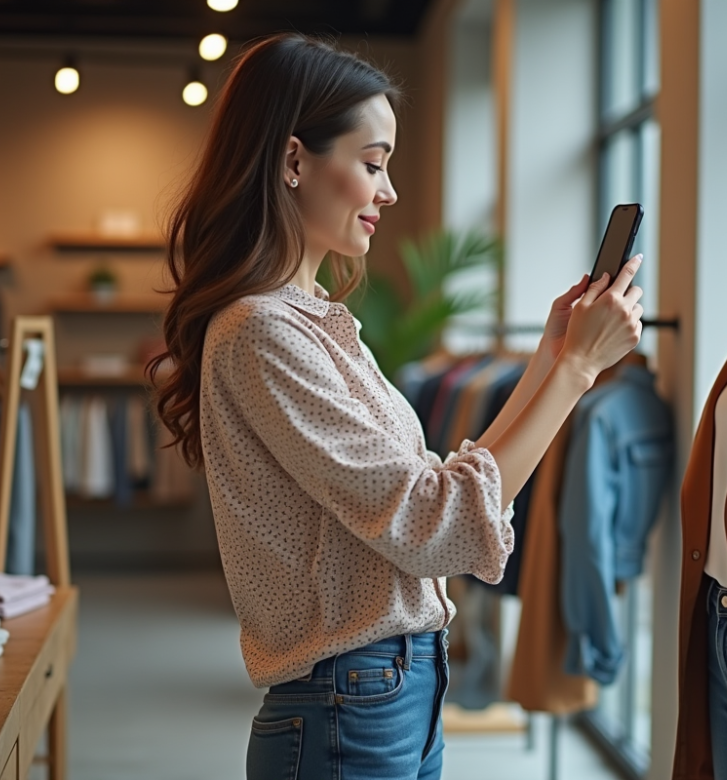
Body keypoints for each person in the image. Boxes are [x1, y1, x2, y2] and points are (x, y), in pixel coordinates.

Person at [149, 34, 644, 780]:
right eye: (373, 163)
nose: (389, 192)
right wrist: (575, 372)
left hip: (386, 691)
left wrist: (549, 357)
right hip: (348, 700)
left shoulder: (311, 318)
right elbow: (430, 530)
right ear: (292, 162)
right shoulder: (262, 333)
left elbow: (437, 489)